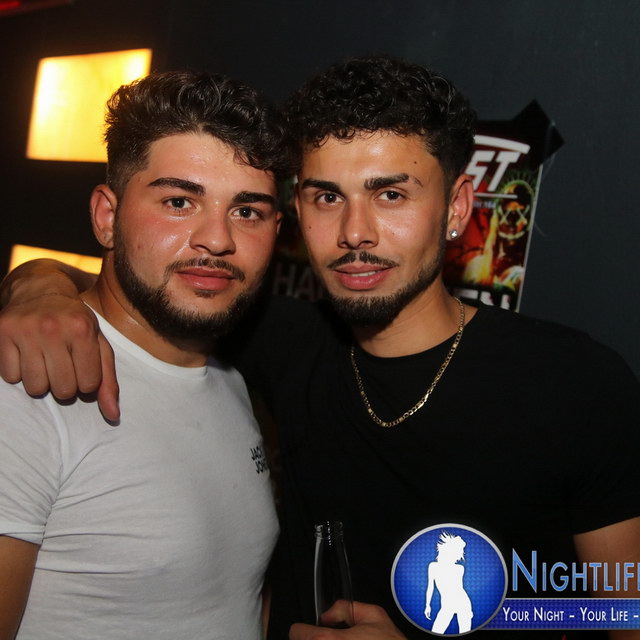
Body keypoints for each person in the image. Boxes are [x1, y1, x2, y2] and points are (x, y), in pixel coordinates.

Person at [1, 56, 639, 640]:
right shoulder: (276, 340)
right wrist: (39, 287)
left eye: (390, 194)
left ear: (455, 208)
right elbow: (147, 282)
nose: (356, 232)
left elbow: (619, 611)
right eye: (328, 197)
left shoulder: (576, 382)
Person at [0, 70, 298, 639]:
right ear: (107, 217)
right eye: (179, 201)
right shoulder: (26, 385)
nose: (218, 239)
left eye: (247, 211)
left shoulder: (231, 378)